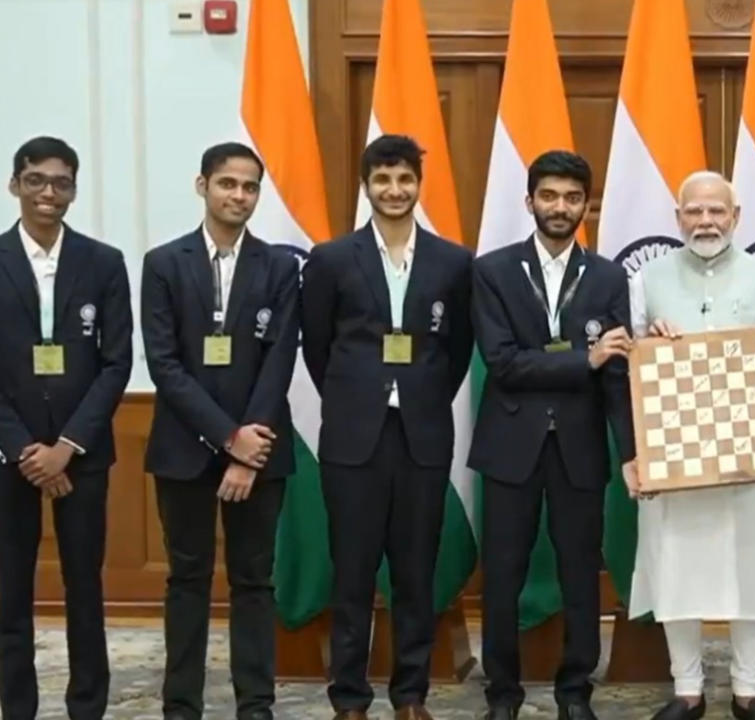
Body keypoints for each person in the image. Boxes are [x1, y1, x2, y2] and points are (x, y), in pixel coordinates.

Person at [300, 134, 474, 720]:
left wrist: (418, 397)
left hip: (422, 436)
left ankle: (410, 695)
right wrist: (359, 396)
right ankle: (349, 697)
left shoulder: (453, 261)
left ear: (418, 186)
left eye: (404, 180)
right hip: (353, 438)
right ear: (366, 185)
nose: (394, 191)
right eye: (383, 180)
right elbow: (317, 348)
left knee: (415, 574)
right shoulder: (330, 259)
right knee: (351, 573)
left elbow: (456, 350)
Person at [627, 170, 755, 720]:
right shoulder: (645, 279)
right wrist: (649, 346)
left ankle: (749, 690)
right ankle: (688, 690)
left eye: (716, 211)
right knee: (676, 566)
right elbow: (628, 368)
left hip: (753, 455)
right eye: (694, 212)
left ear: (736, 216)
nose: (706, 222)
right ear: (678, 219)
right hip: (673, 456)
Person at [470, 150, 637, 720]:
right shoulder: (490, 271)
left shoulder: (611, 276)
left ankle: (575, 692)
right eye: (549, 196)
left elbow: (617, 376)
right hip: (510, 448)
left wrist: (633, 454)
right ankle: (503, 694)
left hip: (580, 449)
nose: (560, 207)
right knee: (502, 577)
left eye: (571, 198)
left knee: (580, 578)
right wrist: (583, 360)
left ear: (586, 206)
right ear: (530, 202)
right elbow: (502, 363)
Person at [140, 142, 300, 720]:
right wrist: (227, 439)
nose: (239, 196)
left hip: (260, 453)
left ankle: (255, 704)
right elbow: (165, 365)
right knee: (187, 578)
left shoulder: (281, 266)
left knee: (255, 582)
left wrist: (246, 450)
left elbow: (278, 361)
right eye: (228, 183)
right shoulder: (163, 263)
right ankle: (181, 705)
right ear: (202, 185)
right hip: (183, 451)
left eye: (250, 187)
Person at [0, 136, 131, 720]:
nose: (48, 192)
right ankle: (17, 708)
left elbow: (117, 361)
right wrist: (28, 450)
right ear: (14, 185)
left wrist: (67, 447)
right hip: (10, 457)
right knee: (9, 595)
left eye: (61, 182)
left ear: (74, 190)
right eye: (35, 180)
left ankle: (87, 707)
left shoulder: (103, 263)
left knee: (85, 590)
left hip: (84, 455)